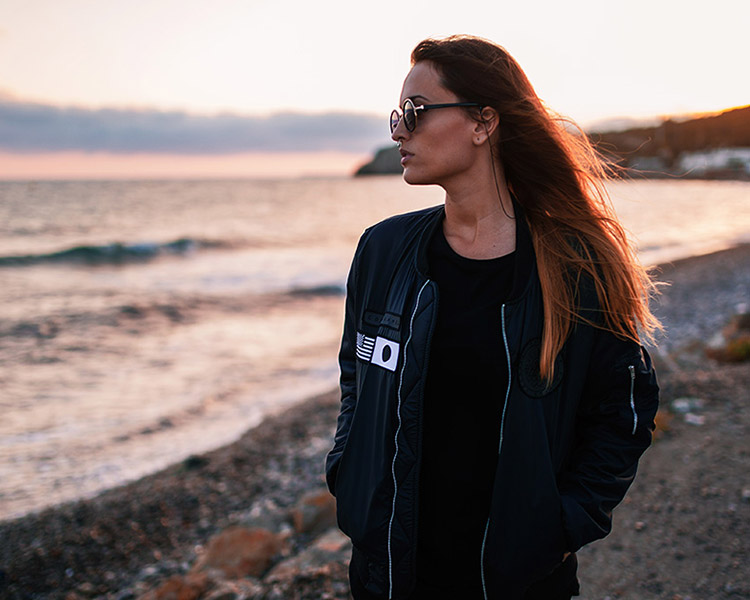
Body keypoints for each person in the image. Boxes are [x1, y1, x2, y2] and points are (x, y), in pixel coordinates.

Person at [325, 35, 660, 600]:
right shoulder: (383, 251)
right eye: (397, 115)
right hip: (388, 573)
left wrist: (562, 526)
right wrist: (347, 470)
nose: (399, 131)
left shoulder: (573, 264)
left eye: (415, 111)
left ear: (483, 122)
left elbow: (622, 411)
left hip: (517, 580)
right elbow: (357, 376)